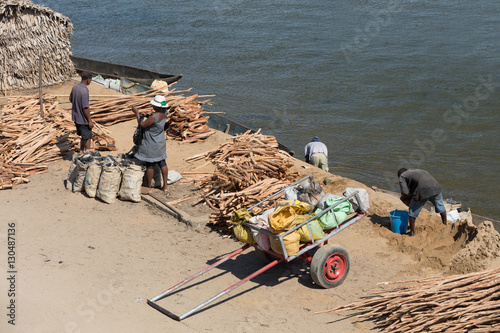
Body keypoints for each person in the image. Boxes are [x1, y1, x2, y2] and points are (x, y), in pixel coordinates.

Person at [132, 95, 169, 194]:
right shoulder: (165, 113)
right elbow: (154, 120)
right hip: (160, 142)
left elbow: (142, 125)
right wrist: (147, 115)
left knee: (150, 165)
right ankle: (165, 186)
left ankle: (148, 187)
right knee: (162, 162)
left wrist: (136, 113)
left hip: (151, 143)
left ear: (157, 107)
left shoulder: (154, 117)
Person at [398, 168, 447, 236]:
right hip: (436, 187)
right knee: (440, 206)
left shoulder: (402, 176)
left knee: (412, 212)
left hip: (423, 190)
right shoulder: (417, 171)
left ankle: (412, 233)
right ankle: (445, 225)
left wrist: (410, 198)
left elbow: (405, 193)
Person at [69, 70, 94, 153]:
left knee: (83, 136)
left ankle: (81, 151)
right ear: (87, 79)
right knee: (87, 137)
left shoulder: (75, 87)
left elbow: (71, 99)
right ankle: (87, 153)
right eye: (90, 79)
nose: (91, 81)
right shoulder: (84, 91)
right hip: (83, 119)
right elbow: (85, 108)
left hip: (76, 117)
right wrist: (89, 120)